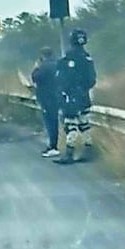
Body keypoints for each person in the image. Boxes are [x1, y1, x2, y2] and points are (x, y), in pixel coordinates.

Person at [54, 28, 97, 164]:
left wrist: (65, 91)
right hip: (84, 95)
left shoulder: (68, 58)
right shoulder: (87, 58)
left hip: (71, 96)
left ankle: (69, 152)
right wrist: (84, 89)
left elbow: (62, 78)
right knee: (84, 123)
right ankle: (88, 149)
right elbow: (92, 79)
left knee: (71, 123)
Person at [31, 46, 60, 157]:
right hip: (57, 96)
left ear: (42, 56)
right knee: (55, 121)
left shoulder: (43, 67)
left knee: (50, 122)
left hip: (47, 98)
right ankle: (53, 145)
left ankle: (53, 146)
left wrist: (36, 68)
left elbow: (35, 78)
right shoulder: (57, 64)